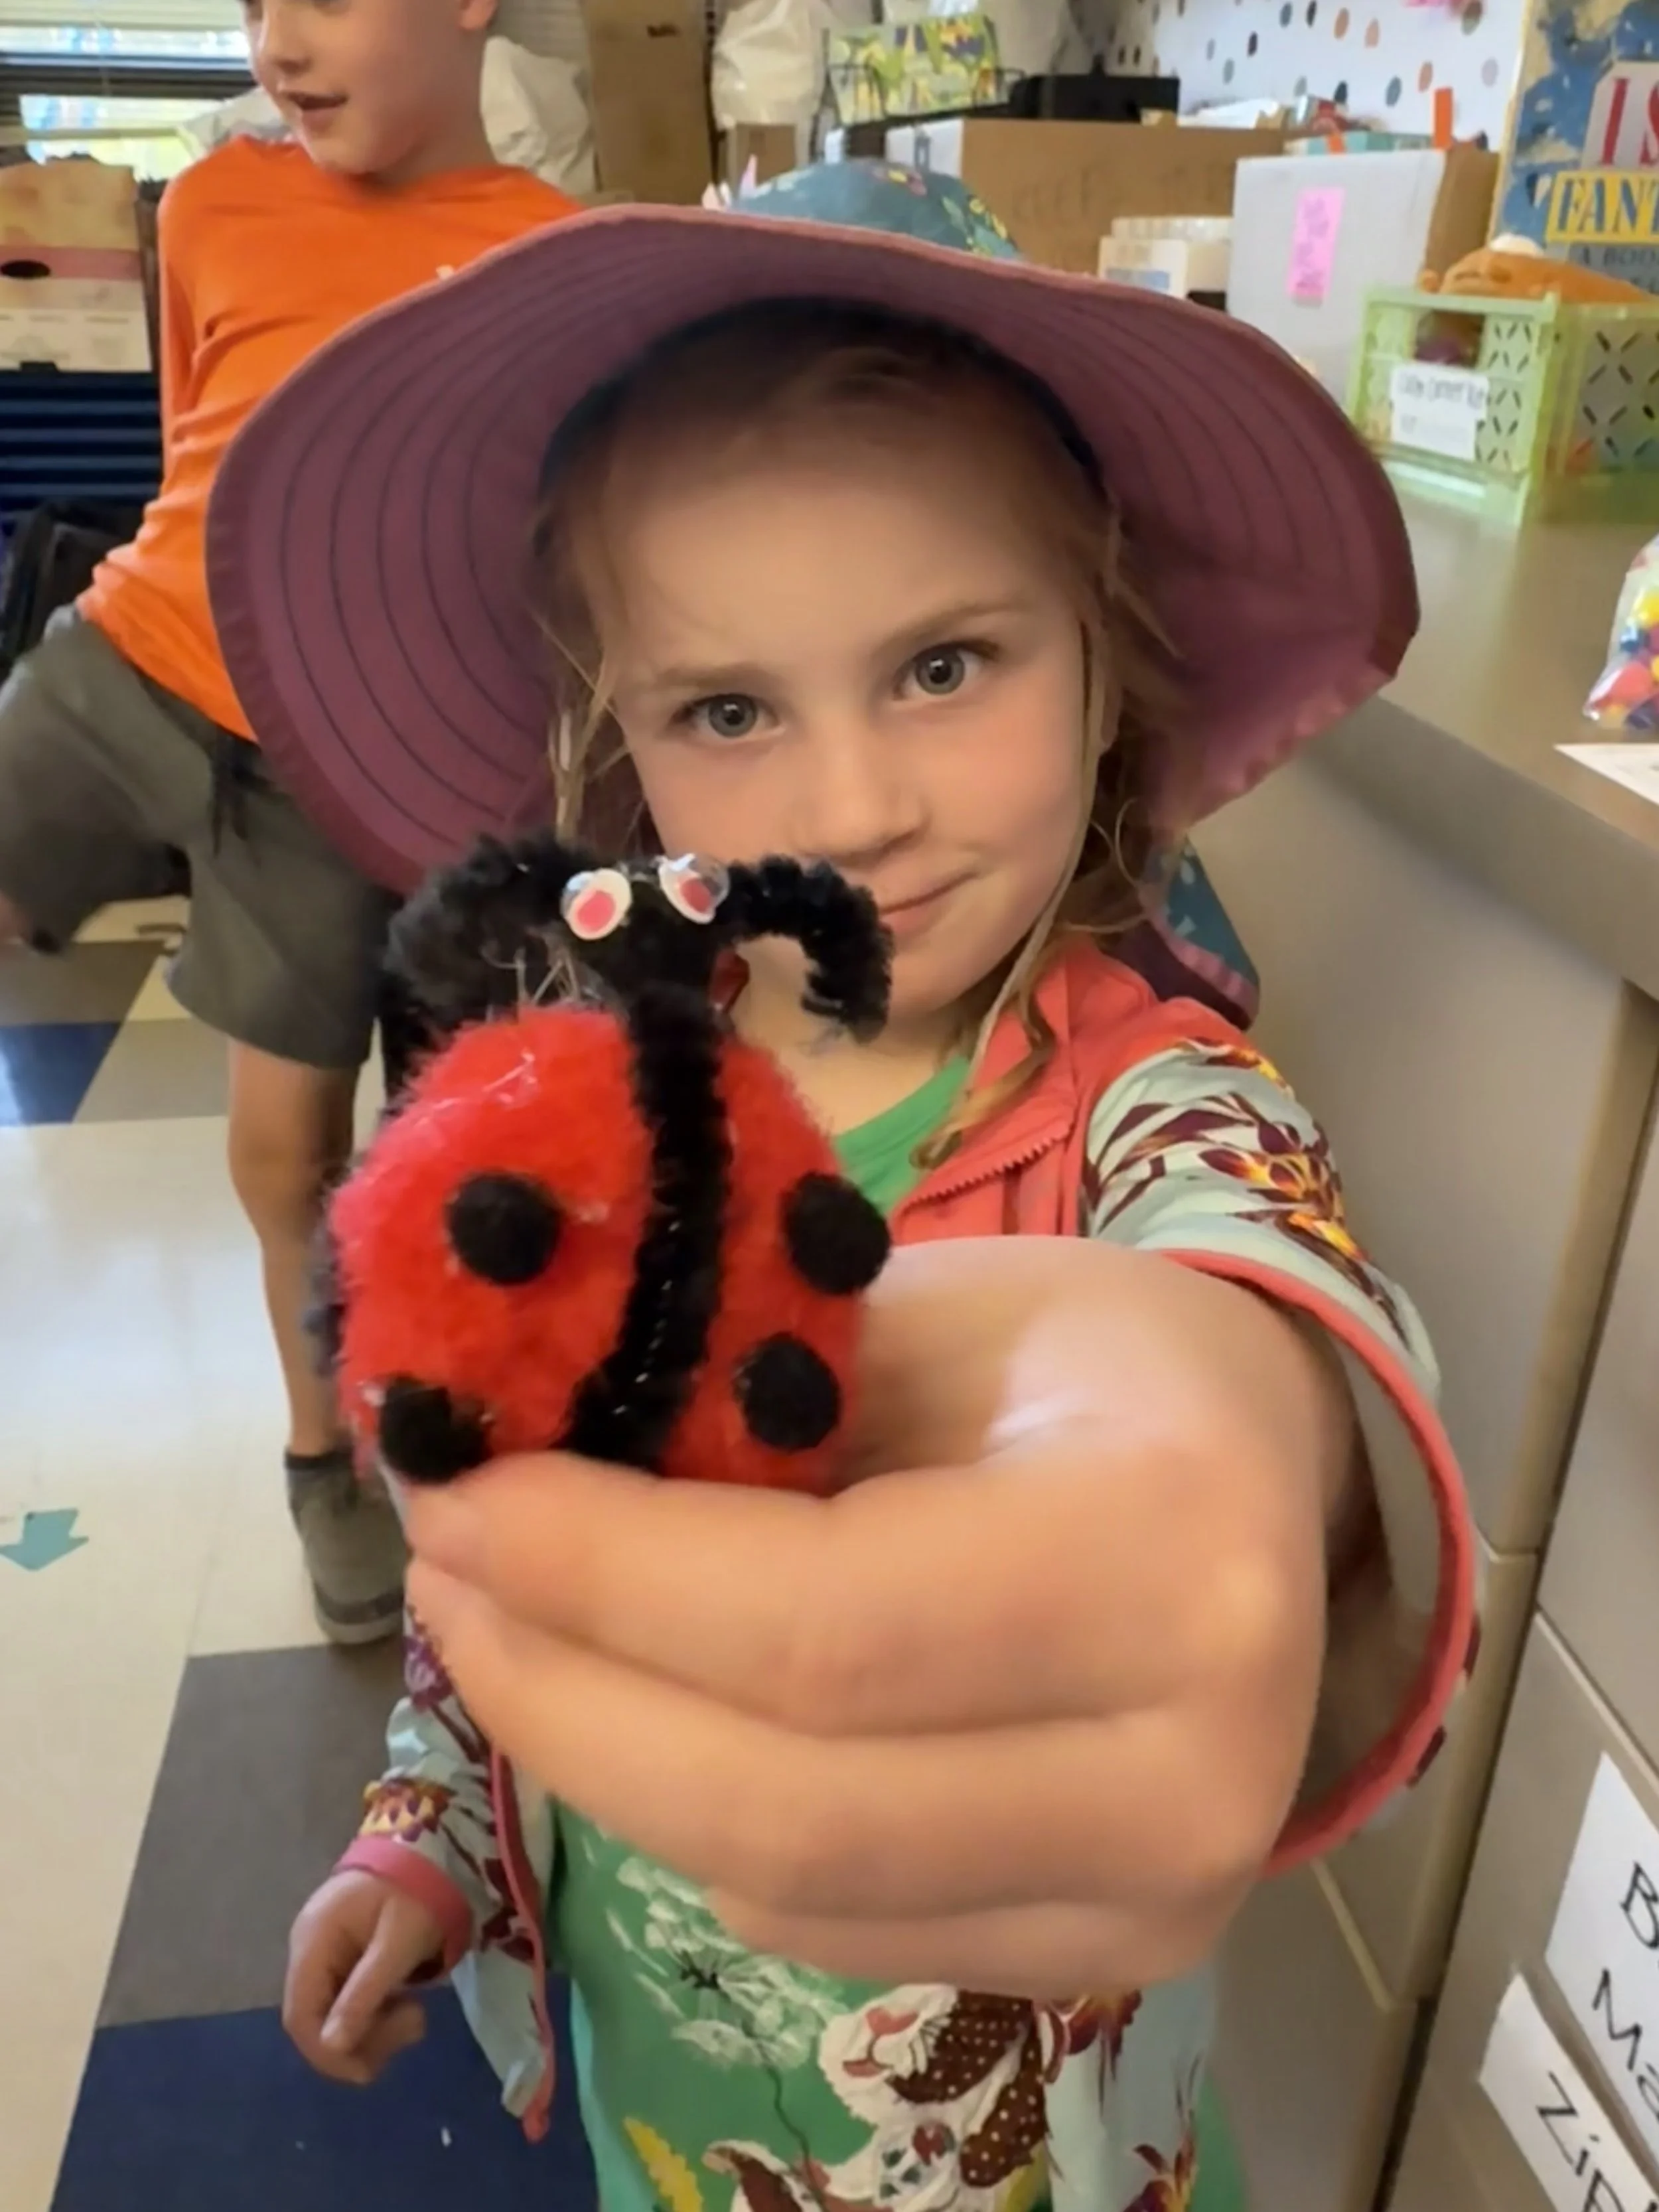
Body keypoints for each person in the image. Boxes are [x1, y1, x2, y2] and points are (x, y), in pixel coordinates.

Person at [213, 166, 1477, 2209]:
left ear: (1105, 646)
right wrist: (428, 1834)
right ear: (615, 749)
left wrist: (1279, 1459)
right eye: (728, 708)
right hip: (664, 2118)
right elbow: (505, 1570)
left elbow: (1269, 1330)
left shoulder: (1155, 1104)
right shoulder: (599, 1128)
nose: (851, 809)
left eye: (944, 664)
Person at [0, 0, 579, 1646]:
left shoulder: (551, 264)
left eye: (318, 0)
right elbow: (201, 447)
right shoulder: (210, 206)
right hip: (130, 669)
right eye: (252, 7)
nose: (274, 45)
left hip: (331, 773)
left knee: (291, 1158)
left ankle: (325, 1459)